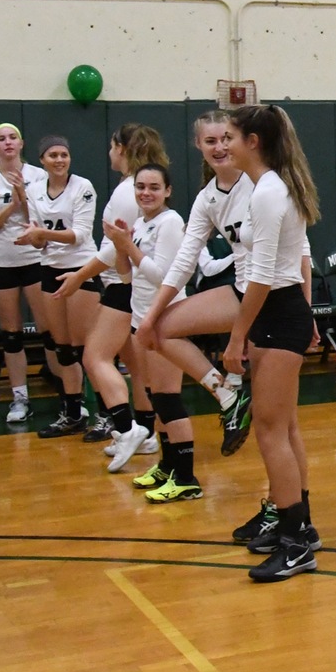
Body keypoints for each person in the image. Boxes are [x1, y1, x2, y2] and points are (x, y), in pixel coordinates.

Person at [132, 111, 258, 501]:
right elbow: (185, 261)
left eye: (225, 138)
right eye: (210, 141)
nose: (219, 147)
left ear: (239, 140)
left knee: (277, 425)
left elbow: (299, 249)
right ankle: (226, 395)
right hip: (241, 290)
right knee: (161, 329)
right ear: (199, 147)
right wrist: (150, 319)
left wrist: (304, 307)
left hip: (272, 294)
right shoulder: (207, 198)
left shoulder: (259, 186)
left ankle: (286, 512)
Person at [223, 105, 324, 582]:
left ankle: (295, 542)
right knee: (283, 427)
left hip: (277, 315)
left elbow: (262, 276)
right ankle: (299, 526)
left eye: (231, 137)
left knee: (269, 431)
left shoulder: (268, 192)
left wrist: (235, 336)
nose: (224, 146)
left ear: (253, 142)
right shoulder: (271, 187)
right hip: (277, 315)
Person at [53, 124, 169, 466]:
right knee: (136, 363)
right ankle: (146, 434)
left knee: (94, 357)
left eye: (111, 146)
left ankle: (124, 426)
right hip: (134, 282)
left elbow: (110, 251)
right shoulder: (136, 186)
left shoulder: (126, 192)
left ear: (121, 148)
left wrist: (78, 277)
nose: (109, 153)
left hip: (124, 284)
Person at [103, 164, 197, 489]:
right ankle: (167, 465)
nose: (146, 193)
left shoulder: (170, 223)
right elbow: (127, 276)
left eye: (154, 187)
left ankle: (185, 476)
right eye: (141, 186)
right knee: (153, 396)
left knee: (168, 398)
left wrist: (128, 246)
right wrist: (120, 246)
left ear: (167, 191)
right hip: (141, 318)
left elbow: (164, 277)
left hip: (165, 319)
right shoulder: (142, 224)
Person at [21, 136, 100, 437]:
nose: (59, 160)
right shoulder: (34, 191)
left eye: (64, 154)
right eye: (52, 155)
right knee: (62, 349)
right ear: (41, 160)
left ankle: (105, 414)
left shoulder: (83, 187)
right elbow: (40, 239)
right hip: (49, 268)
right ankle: (73, 414)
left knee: (85, 349)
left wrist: (42, 233)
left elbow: (79, 234)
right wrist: (33, 236)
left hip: (81, 267)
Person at [0, 124, 47, 425]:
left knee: (50, 331)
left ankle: (70, 398)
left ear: (21, 143)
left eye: (12, 138)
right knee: (12, 334)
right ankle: (19, 397)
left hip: (35, 260)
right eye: (1, 139)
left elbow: (41, 220)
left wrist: (24, 198)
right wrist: (12, 204)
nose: (7, 143)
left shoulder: (38, 176)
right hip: (0, 262)